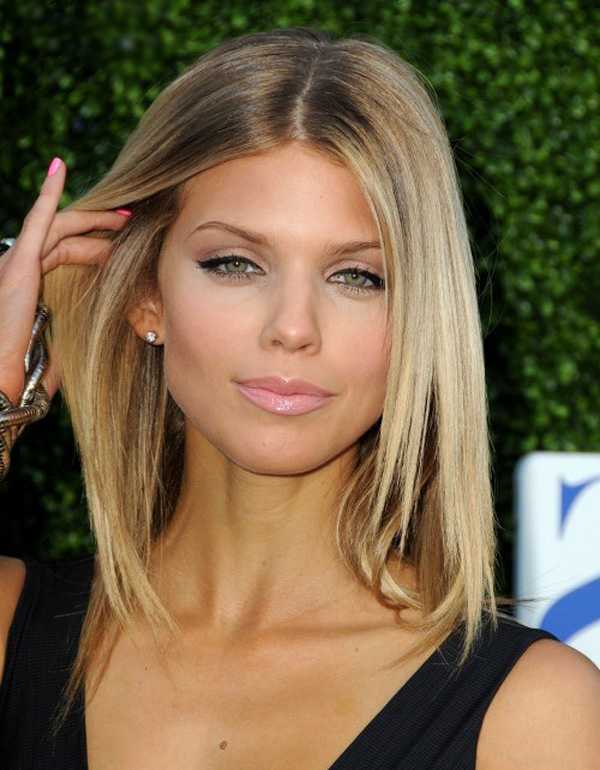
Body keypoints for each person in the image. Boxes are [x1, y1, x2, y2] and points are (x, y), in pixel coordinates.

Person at [0, 25, 598, 770]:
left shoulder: (533, 712)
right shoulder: (12, 632)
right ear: (147, 296)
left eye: (357, 276)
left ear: (421, 323)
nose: (292, 328)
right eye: (235, 263)